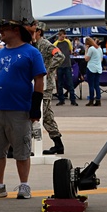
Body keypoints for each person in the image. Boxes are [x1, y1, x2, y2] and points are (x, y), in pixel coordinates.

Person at [0, 18, 46, 200]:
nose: (1, 32)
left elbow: (39, 80)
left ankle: (24, 185)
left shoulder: (31, 53)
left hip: (19, 109)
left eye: (4, 29)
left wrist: (35, 107)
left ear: (16, 30)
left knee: (22, 150)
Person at [32, 23, 66, 155]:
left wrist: (48, 70)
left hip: (45, 86)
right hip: (36, 84)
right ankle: (58, 144)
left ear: (39, 32)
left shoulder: (45, 44)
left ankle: (57, 143)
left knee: (43, 114)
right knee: (44, 115)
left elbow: (59, 56)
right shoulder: (33, 45)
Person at [53, 29, 77, 106]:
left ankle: (73, 99)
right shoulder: (55, 44)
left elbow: (70, 50)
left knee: (70, 83)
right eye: (62, 36)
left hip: (67, 65)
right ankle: (61, 99)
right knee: (60, 84)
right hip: (59, 66)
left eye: (64, 36)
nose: (63, 37)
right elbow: (54, 55)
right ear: (59, 36)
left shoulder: (67, 41)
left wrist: (72, 52)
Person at [84, 36, 103, 106]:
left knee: (91, 85)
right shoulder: (99, 49)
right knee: (96, 85)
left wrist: (86, 50)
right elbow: (101, 59)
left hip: (91, 68)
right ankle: (98, 99)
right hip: (98, 68)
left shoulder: (91, 49)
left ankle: (91, 100)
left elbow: (86, 59)